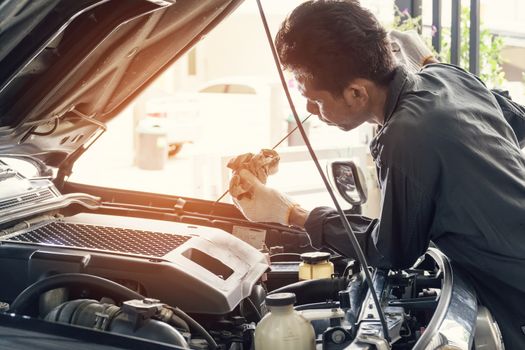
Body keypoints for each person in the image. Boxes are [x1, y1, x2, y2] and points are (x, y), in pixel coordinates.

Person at [228, 1, 525, 348]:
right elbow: (514, 121)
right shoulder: (448, 77)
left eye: (315, 100)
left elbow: (391, 251)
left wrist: (288, 212)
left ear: (356, 93)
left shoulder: (406, 135)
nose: (309, 110)